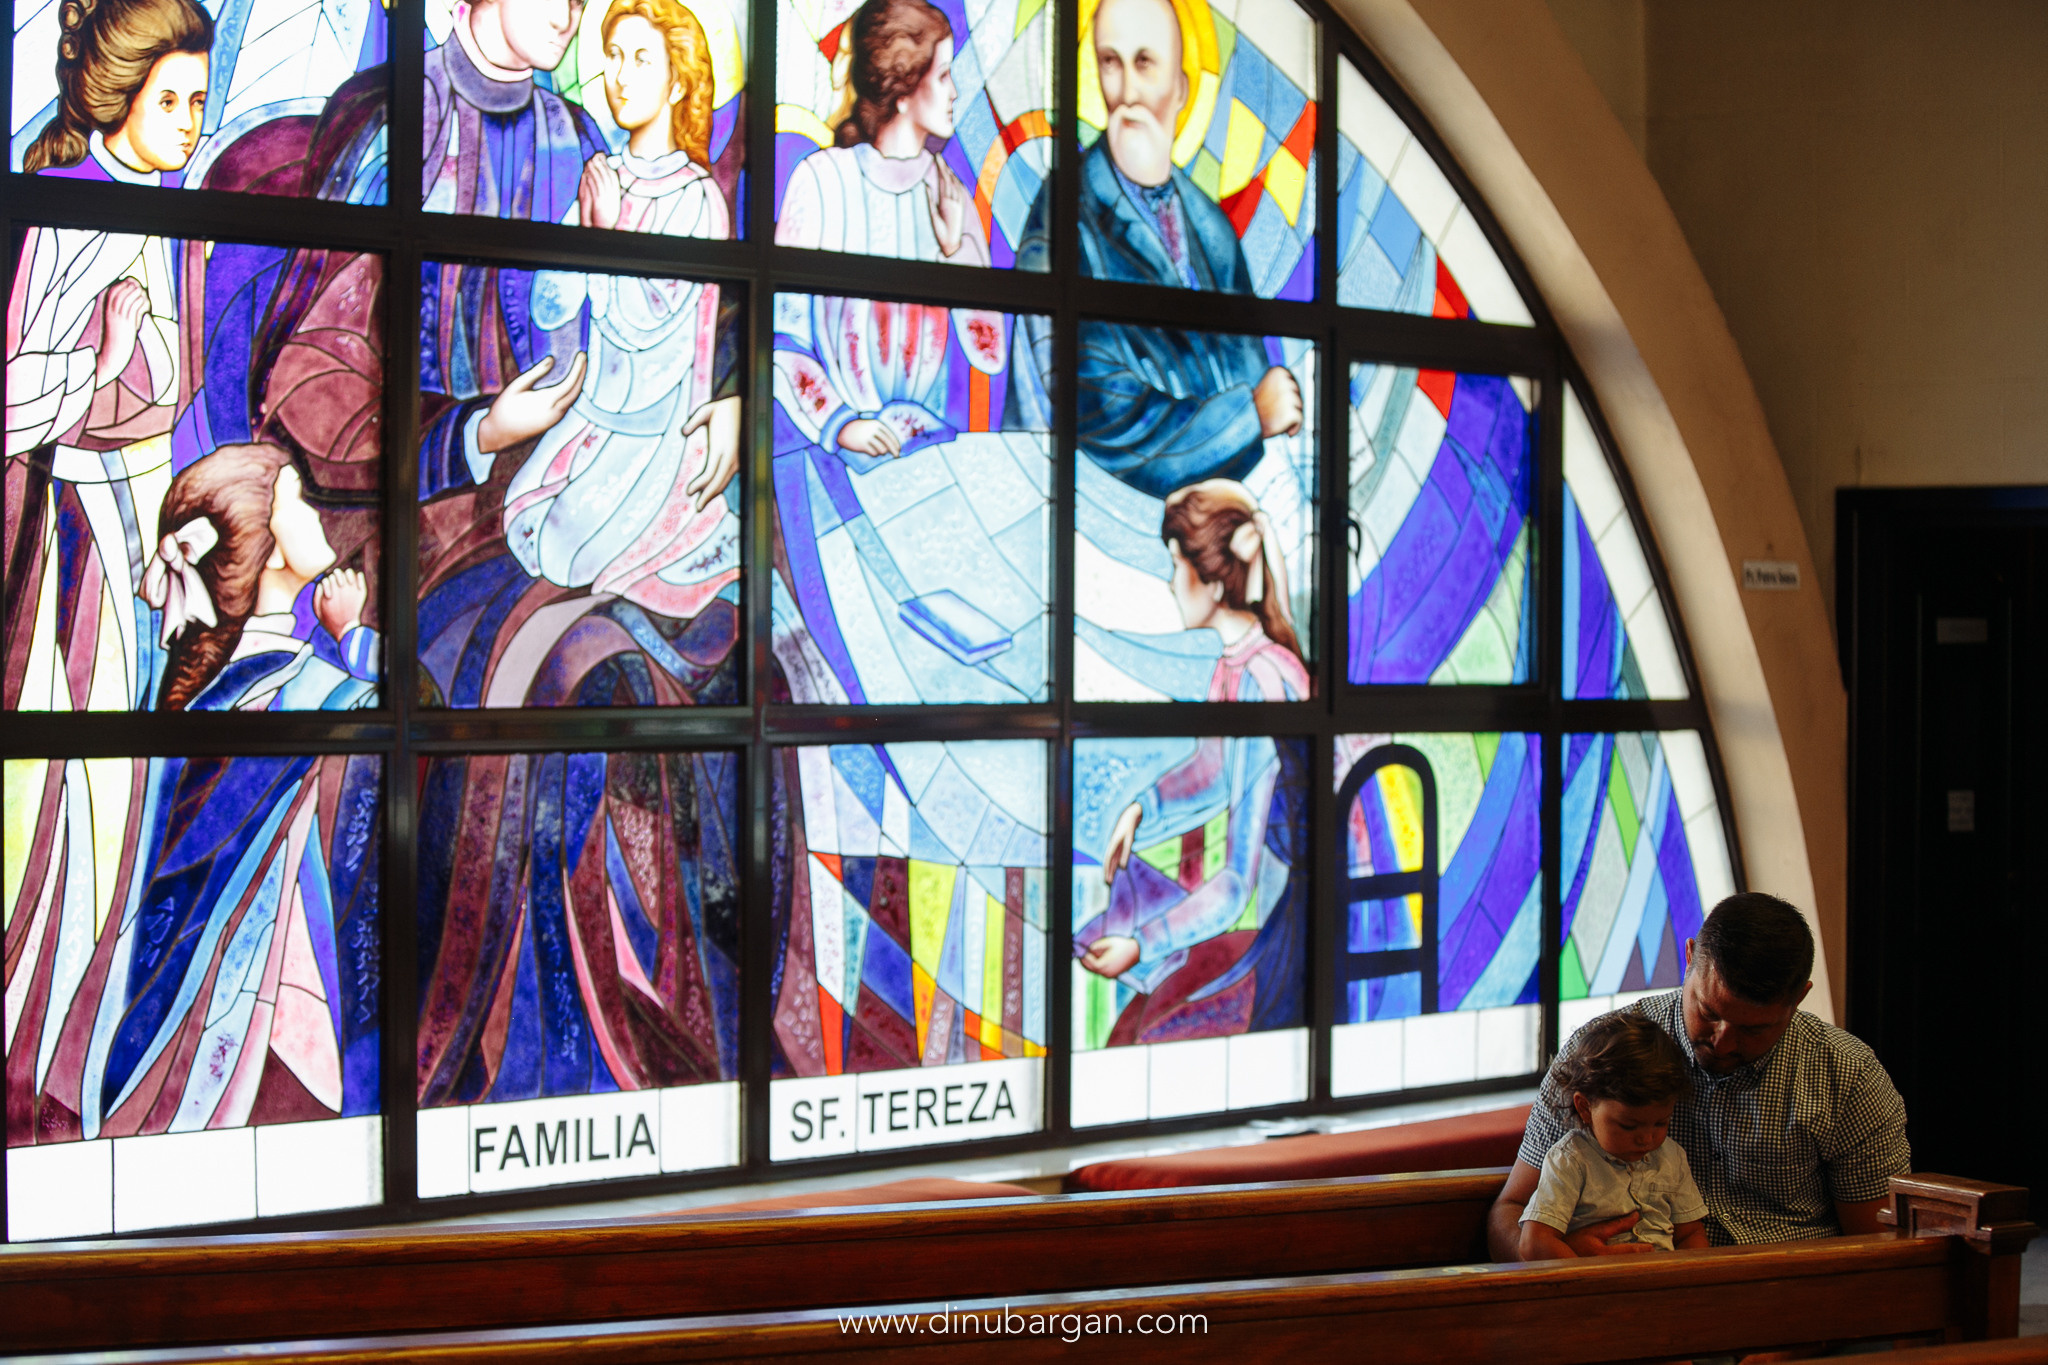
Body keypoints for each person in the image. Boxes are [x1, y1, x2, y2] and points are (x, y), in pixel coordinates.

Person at [1488, 893, 1911, 1259]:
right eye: (1708, 1012)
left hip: (1795, 1299)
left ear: (1798, 998)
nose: (1723, 1042)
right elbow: (1508, 1213)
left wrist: (1804, 1341)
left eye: (1753, 1029)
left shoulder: (1848, 1076)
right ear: (1689, 958)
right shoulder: (1601, 1054)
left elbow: (1875, 1248)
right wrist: (1566, 1259)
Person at [503, 0, 740, 619]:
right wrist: (582, 243)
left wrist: (603, 240)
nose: (620, 76)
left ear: (679, 78)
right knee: (525, 524)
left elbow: (646, 324)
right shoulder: (603, 176)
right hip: (592, 417)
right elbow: (549, 303)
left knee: (570, 555)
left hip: (656, 437)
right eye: (612, 57)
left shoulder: (697, 199)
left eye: (640, 59)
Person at [1009, 0, 1299, 498]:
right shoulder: (1063, 209)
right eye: (1109, 62)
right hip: (1090, 508)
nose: (1126, 91)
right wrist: (1246, 419)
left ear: (1183, 87)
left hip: (1211, 512)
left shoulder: (1212, 231)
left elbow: (1246, 372)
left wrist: (1254, 412)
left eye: (1144, 63)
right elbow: (1096, 406)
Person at [1075, 483, 1307, 1037]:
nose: (1170, 581)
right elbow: (1213, 773)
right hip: (1283, 910)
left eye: (1177, 563)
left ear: (1211, 575)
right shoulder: (1237, 665)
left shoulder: (1262, 680)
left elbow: (1233, 885)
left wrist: (1141, 945)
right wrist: (1140, 810)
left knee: (1148, 1032)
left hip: (1298, 929)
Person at [147, 443, 380, 712]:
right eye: (297, 500)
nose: (314, 513)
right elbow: (420, 697)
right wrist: (351, 633)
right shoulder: (319, 691)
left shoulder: (220, 684)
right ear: (269, 552)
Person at [775, 0, 989, 265]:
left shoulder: (950, 197)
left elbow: (986, 302)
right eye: (943, 76)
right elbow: (785, 296)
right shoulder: (820, 180)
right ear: (901, 88)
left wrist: (955, 249)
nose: (954, 93)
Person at [1517, 1012, 1710, 1259]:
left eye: (1661, 1123)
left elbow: (1690, 1233)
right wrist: (1590, 1279)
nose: (1647, 1139)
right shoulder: (1571, 1161)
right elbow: (1534, 1242)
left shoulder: (1672, 1156)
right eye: (1629, 1126)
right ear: (1585, 1108)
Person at [22, 0, 212, 184]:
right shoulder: (59, 186)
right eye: (167, 103)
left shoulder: (186, 184)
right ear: (119, 97)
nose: (187, 124)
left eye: (197, 102)